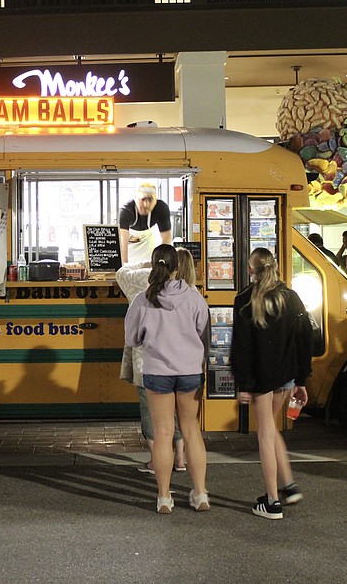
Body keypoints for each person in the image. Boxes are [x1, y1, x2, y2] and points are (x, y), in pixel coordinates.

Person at [124, 244, 210, 514]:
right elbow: (205, 336)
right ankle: (200, 493)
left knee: (162, 434)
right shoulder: (194, 297)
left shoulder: (143, 298)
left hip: (157, 373)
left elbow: (131, 338)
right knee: (191, 430)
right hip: (189, 372)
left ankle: (164, 497)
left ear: (153, 265)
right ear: (177, 267)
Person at [230, 248, 313, 520]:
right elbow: (305, 340)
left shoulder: (244, 299)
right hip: (286, 375)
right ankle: (288, 484)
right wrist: (301, 380)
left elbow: (241, 347)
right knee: (272, 428)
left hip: (259, 377)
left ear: (251, 270)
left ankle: (272, 501)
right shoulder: (291, 298)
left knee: (265, 432)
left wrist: (242, 383)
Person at [116, 256, 187, 475]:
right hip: (179, 362)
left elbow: (120, 272)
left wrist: (144, 263)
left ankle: (157, 460)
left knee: (150, 412)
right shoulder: (184, 287)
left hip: (146, 364)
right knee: (173, 409)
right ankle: (181, 458)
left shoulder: (138, 282)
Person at [118, 182, 172, 265]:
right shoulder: (126, 211)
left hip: (148, 249)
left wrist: (161, 263)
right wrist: (124, 265)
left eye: (150, 200)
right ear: (136, 198)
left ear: (155, 200)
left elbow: (166, 239)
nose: (146, 205)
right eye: (142, 200)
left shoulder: (161, 209)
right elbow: (122, 241)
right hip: (129, 250)